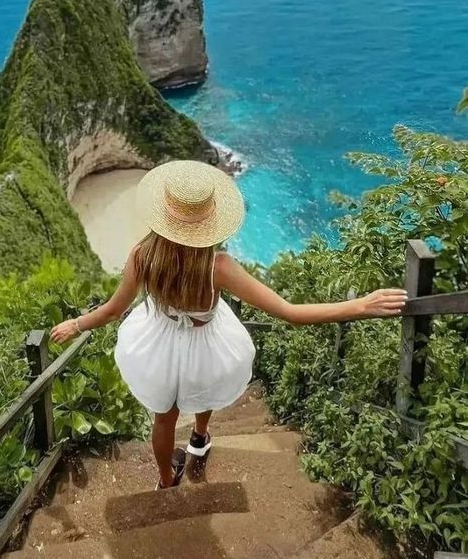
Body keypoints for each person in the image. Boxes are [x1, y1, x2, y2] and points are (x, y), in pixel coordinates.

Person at [51, 160, 407, 489]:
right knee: (206, 382)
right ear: (209, 225)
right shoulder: (218, 267)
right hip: (205, 342)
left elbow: (113, 311)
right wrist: (361, 305)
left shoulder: (142, 256)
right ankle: (201, 437)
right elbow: (290, 313)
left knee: (164, 418)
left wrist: (76, 324)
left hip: (157, 342)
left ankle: (165, 479)